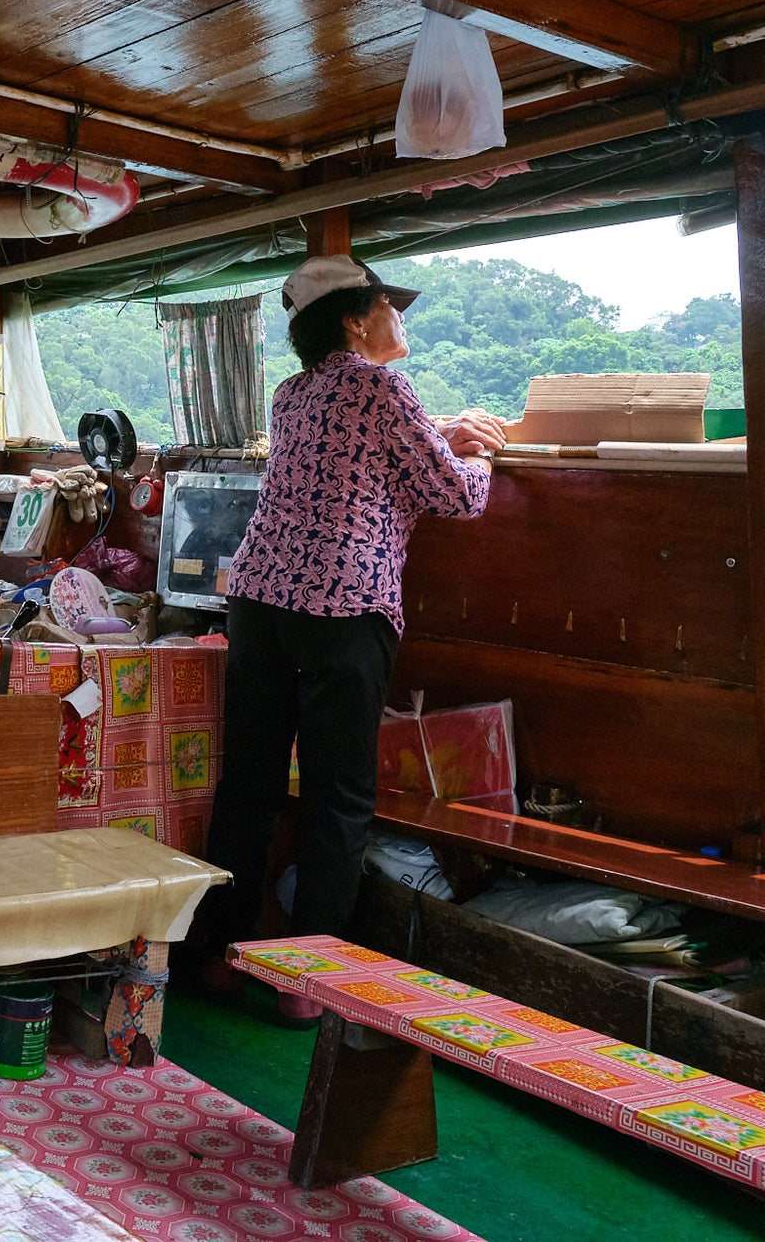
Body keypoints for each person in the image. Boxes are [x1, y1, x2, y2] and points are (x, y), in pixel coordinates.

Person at [196, 255, 506, 1018]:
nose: (400, 320)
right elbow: (447, 493)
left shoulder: (291, 393)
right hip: (342, 609)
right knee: (338, 799)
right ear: (354, 321)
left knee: (250, 787)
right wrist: (480, 453)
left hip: (261, 603)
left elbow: (362, 449)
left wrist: (437, 430)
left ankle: (216, 956)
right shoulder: (381, 384)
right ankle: (305, 985)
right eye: (388, 308)